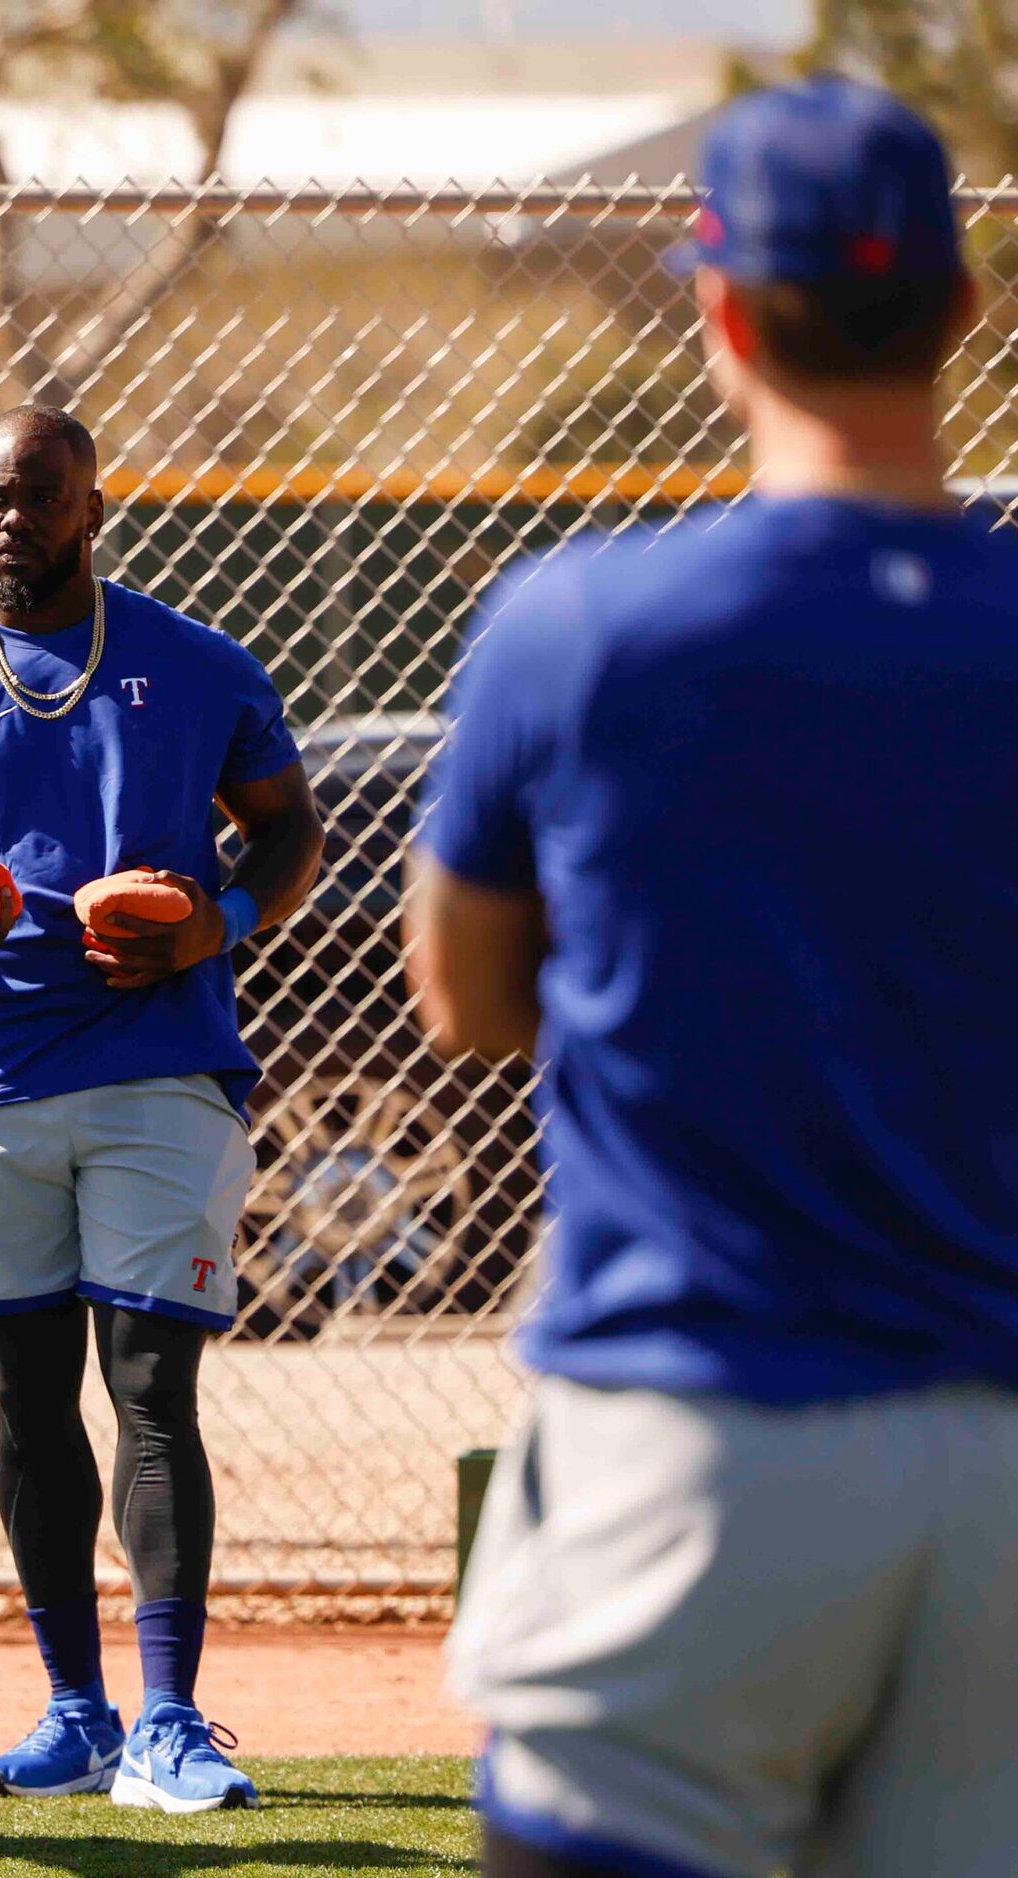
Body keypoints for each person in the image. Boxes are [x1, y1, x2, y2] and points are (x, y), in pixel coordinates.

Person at [410, 77, 1018, 1878]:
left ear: (723, 308)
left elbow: (460, 994)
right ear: (966, 308)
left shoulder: (581, 627)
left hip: (698, 1437)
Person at [0, 405, 324, 1813]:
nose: (13, 521)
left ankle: (169, 1717)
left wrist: (215, 922)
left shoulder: (193, 661)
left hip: (162, 1062)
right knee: (29, 1400)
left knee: (153, 1385)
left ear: (93, 507)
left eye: (41, 498)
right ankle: (76, 1710)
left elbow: (291, 826)